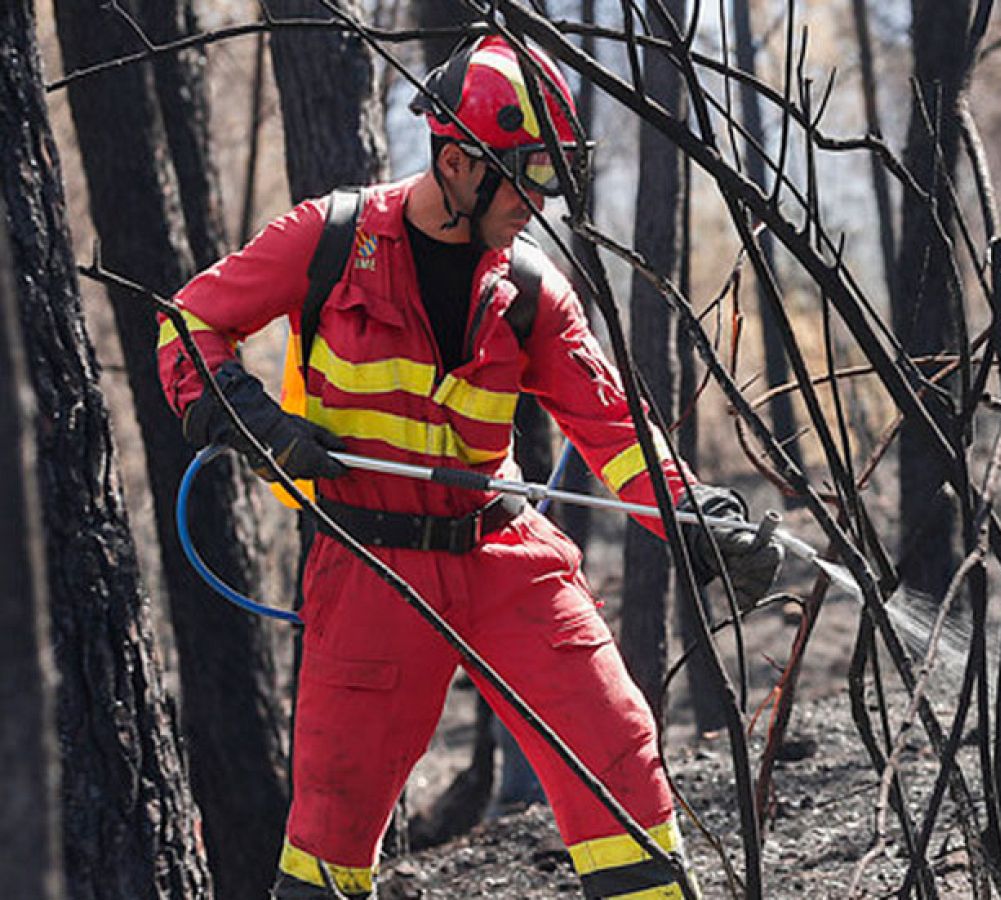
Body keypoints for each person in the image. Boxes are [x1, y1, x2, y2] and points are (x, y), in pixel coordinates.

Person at [156, 34, 780, 900]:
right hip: (369, 564)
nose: (540, 200)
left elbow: (615, 433)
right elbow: (187, 322)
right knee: (332, 819)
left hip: (505, 555)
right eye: (527, 175)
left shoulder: (532, 291)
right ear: (454, 161)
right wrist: (240, 409)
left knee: (617, 752)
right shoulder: (329, 240)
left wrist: (693, 514)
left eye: (552, 176)